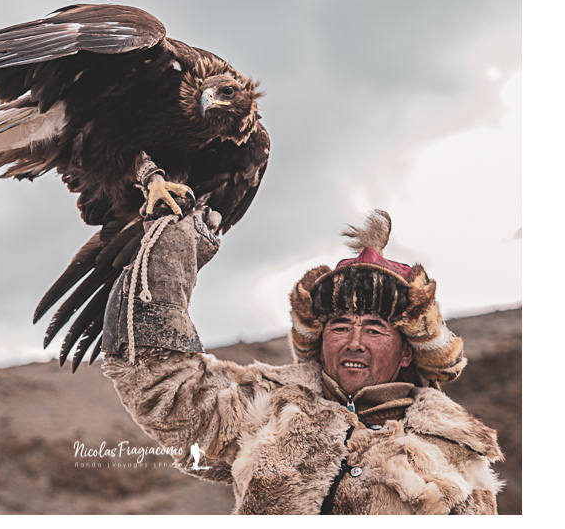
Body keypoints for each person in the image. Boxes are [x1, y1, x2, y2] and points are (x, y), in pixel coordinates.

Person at [101, 209, 503, 515]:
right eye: (340, 326)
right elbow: (163, 386)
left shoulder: (456, 451)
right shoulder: (266, 408)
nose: (355, 343)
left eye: (374, 330)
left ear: (407, 351)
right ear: (322, 343)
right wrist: (172, 249)